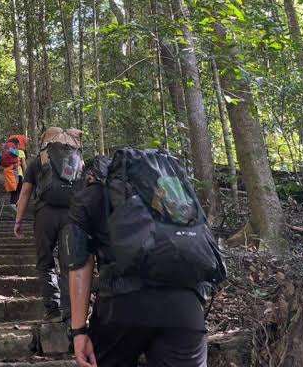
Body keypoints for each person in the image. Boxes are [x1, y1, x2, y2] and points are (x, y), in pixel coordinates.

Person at [66, 149, 225, 367]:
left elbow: (79, 265)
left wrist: (79, 332)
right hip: (185, 307)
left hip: (122, 307)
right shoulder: (166, 194)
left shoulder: (89, 196)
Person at [13, 127, 84, 323]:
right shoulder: (78, 160)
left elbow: (25, 193)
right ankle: (71, 314)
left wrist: (18, 220)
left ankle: (53, 310)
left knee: (45, 263)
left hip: (45, 215)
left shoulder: (39, 160)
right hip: (72, 215)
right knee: (69, 264)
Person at [3, 136, 27, 207]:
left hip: (9, 174)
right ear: (17, 144)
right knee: (19, 192)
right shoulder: (20, 152)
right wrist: (26, 175)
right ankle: (16, 208)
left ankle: (12, 205)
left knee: (13, 192)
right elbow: (23, 165)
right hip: (18, 174)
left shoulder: (5, 152)